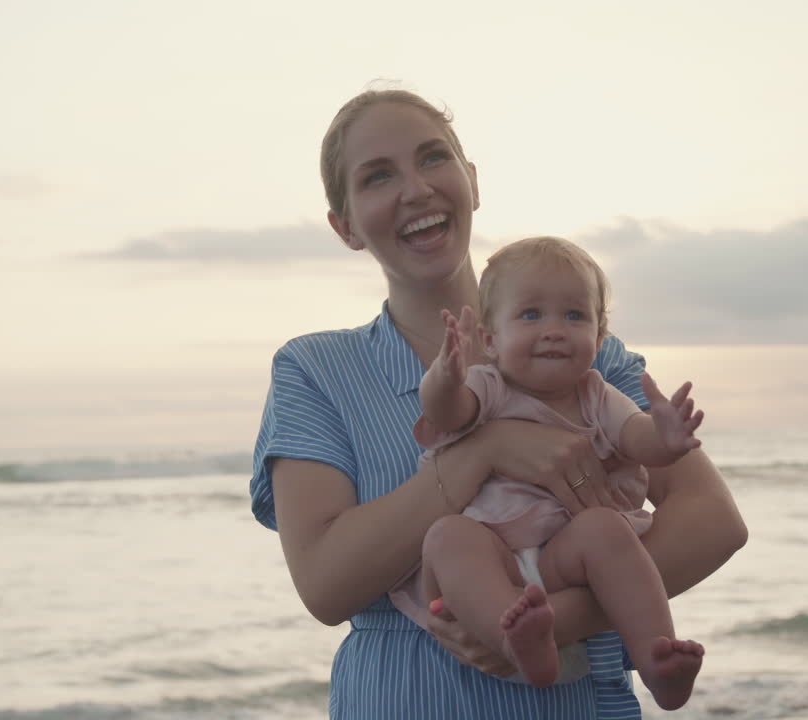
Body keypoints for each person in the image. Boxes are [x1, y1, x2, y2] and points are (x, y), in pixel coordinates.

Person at [250, 87, 747, 719]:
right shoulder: (316, 370)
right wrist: (482, 452)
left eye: (434, 159)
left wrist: (556, 620)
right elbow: (325, 584)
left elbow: (713, 520)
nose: (416, 189)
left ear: (472, 182)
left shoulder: (580, 348)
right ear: (345, 225)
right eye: (378, 176)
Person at [390, 236, 705, 710]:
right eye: (531, 315)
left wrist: (666, 436)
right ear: (491, 341)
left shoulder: (596, 394)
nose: (554, 329)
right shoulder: (489, 386)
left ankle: (658, 660)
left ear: (599, 339)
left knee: (605, 529)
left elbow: (635, 437)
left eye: (574, 316)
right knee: (447, 537)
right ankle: (515, 637)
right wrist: (445, 376)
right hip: (492, 557)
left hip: (563, 560)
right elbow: (450, 412)